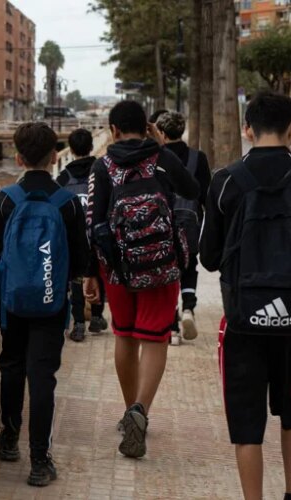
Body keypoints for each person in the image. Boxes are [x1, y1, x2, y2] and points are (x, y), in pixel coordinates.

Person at [83, 100, 199, 459]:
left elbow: (93, 220)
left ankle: (127, 409)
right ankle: (141, 410)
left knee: (125, 335)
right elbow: (192, 190)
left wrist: (91, 273)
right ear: (147, 127)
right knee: (155, 338)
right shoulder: (161, 158)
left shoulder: (102, 165)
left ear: (113, 130)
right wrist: (161, 147)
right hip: (162, 265)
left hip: (118, 267)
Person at [0, 122, 89, 487]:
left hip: (11, 304)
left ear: (18, 157)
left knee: (11, 367)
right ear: (56, 156)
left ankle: (9, 438)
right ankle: (40, 461)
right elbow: (80, 260)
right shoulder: (68, 203)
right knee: (43, 378)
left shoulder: (5, 199)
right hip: (52, 304)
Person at [201, 91, 291, 500]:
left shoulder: (225, 181)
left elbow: (210, 258)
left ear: (247, 128)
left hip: (244, 320)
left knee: (247, 425)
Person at [150, 111, 212, 345]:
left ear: (162, 133)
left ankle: (172, 328)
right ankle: (188, 308)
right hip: (190, 222)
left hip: (161, 224)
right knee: (189, 266)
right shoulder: (198, 158)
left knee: (165, 273)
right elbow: (205, 194)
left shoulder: (156, 158)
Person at [57, 128, 109, 342]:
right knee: (98, 273)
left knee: (76, 279)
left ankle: (78, 322)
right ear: (90, 147)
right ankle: (96, 317)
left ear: (71, 148)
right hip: (98, 234)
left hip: (73, 238)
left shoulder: (63, 177)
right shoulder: (102, 170)